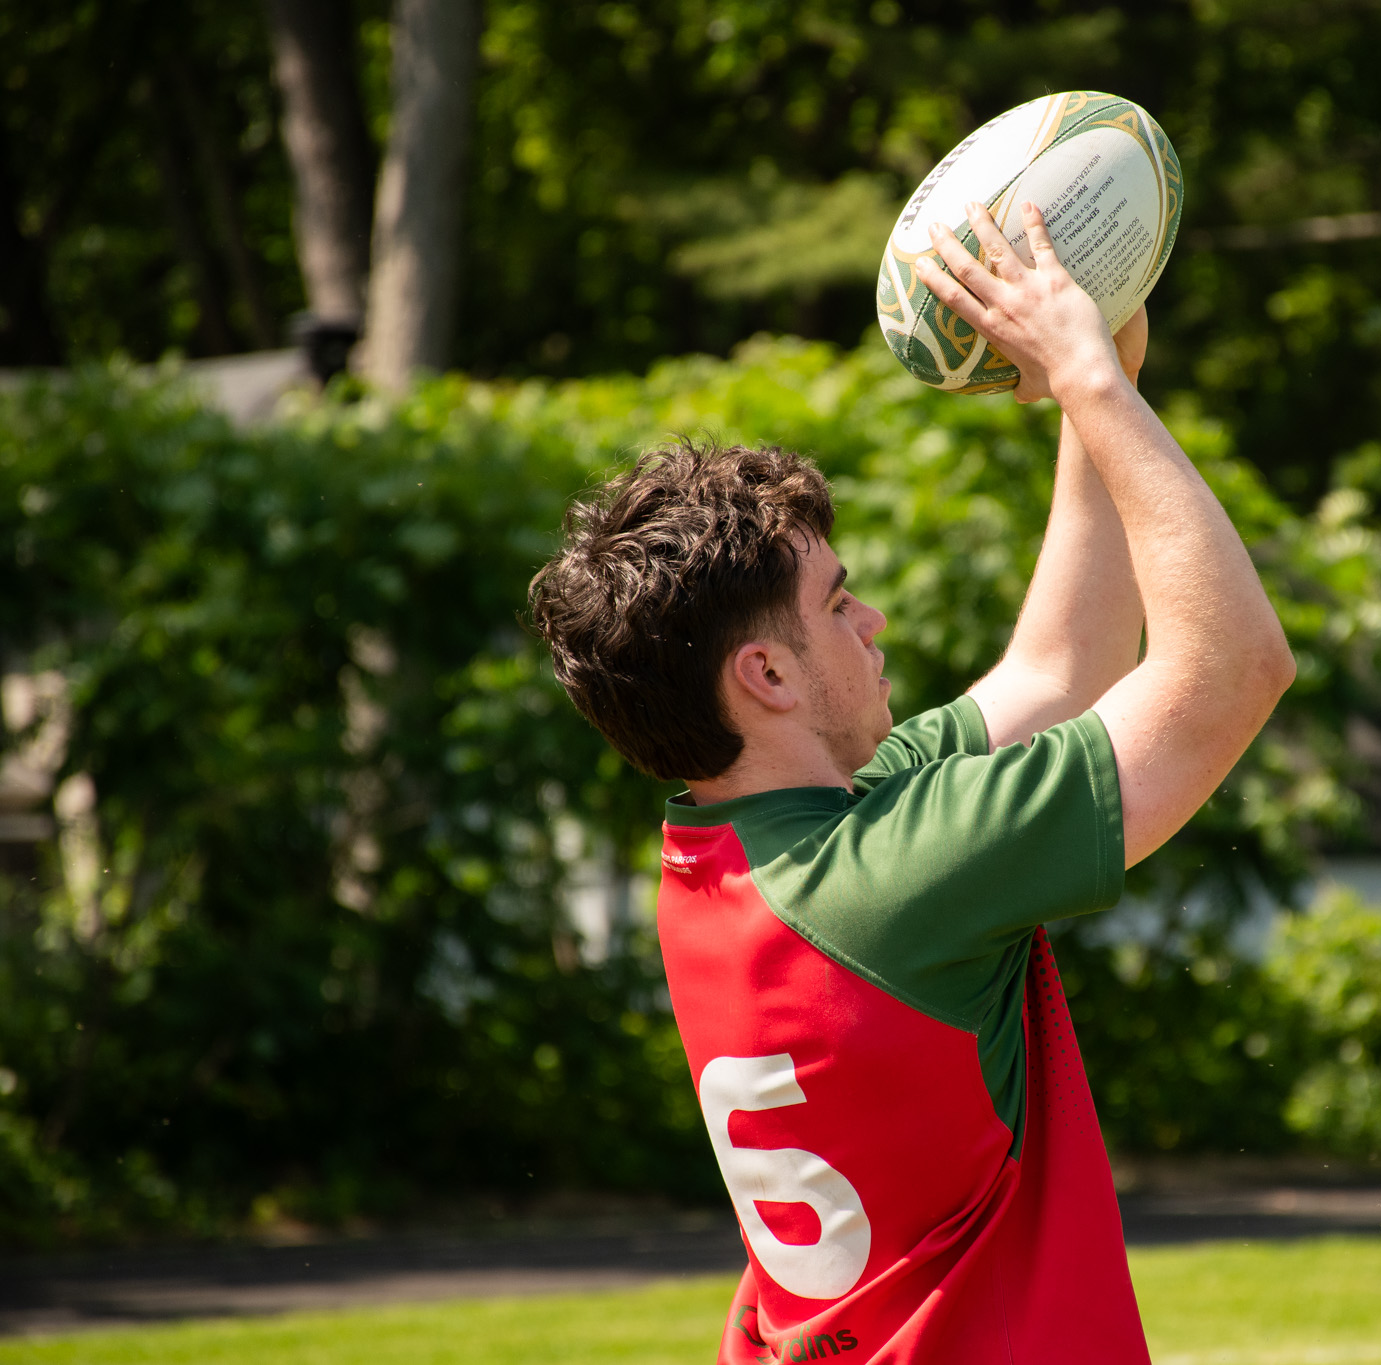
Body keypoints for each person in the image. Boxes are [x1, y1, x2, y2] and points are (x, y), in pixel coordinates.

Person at [529, 200, 1295, 1363]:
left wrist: (1102, 386)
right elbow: (1235, 668)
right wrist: (1091, 387)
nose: (871, 620)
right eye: (837, 604)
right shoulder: (896, 876)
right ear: (767, 674)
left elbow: (1059, 669)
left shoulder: (733, 859)